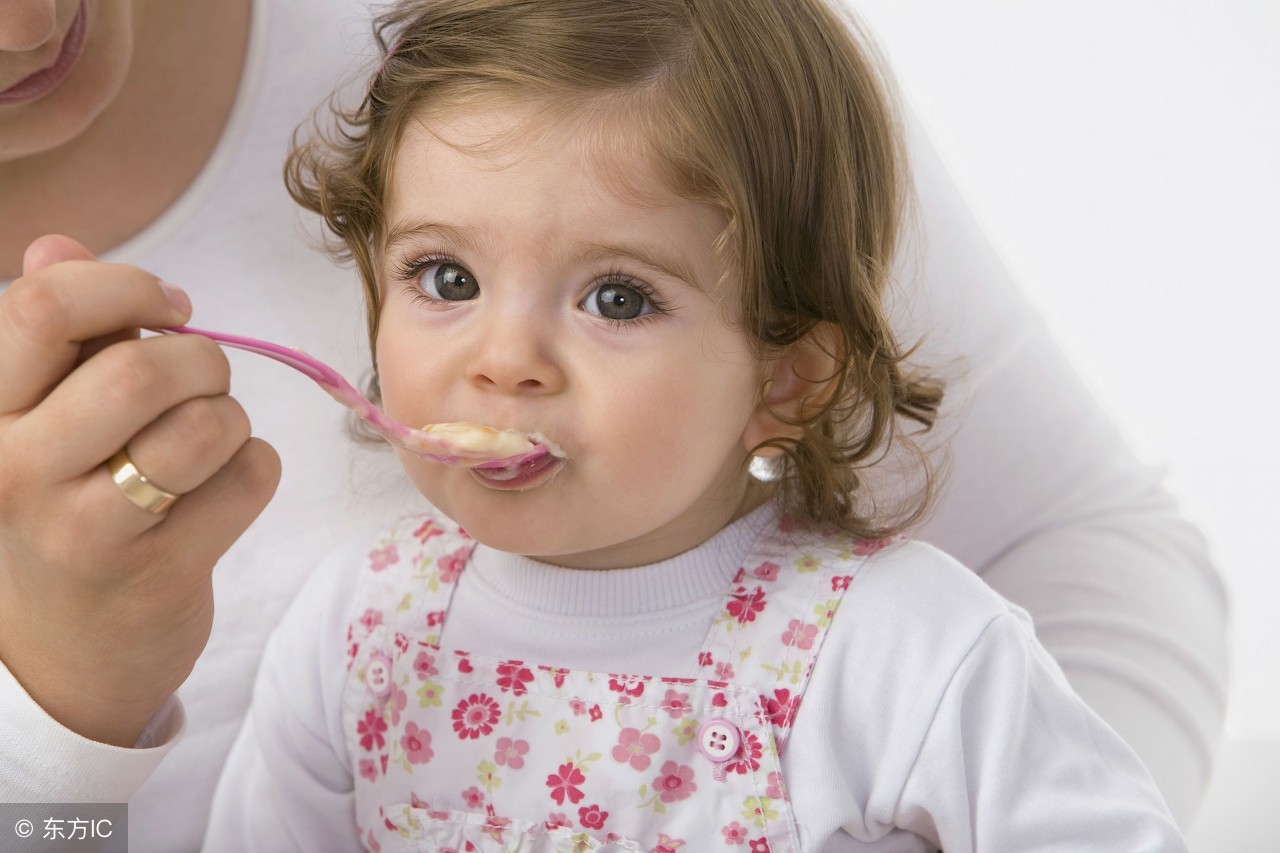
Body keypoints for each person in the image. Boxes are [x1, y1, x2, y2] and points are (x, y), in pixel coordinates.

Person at [0, 0, 1225, 849]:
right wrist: (53, 723)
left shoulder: (909, 654)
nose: (504, 360)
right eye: (443, 279)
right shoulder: (356, 638)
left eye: (617, 296)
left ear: (787, 375)